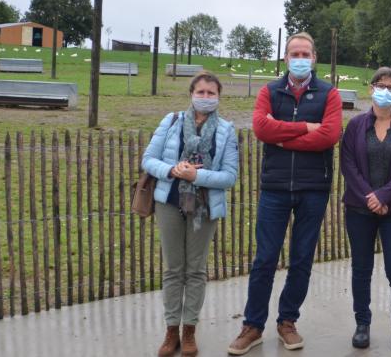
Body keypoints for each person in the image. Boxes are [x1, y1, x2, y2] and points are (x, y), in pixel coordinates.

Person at [228, 32, 342, 355]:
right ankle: (252, 325)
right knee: (265, 258)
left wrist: (282, 137)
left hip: (313, 189)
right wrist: (305, 128)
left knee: (302, 258)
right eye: (295, 53)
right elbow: (261, 129)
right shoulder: (270, 91)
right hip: (275, 188)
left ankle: (287, 321)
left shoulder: (329, 94)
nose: (300, 58)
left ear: (315, 58)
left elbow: (329, 135)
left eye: (306, 52)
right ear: (285, 58)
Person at [142, 71, 239, 357]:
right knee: (173, 269)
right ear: (191, 94)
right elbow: (148, 159)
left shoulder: (226, 130)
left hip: (204, 207)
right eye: (201, 92)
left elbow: (229, 177)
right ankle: (171, 330)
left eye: (211, 93)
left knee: (195, 270)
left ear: (218, 96)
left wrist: (197, 176)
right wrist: (172, 171)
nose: (205, 97)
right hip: (170, 202)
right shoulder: (171, 122)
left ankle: (189, 330)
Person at [340, 67, 391, 351]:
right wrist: (369, 197)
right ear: (371, 88)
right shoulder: (355, 126)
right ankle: (362, 323)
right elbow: (347, 165)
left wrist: (384, 196)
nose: (385, 90)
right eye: (380, 85)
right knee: (361, 269)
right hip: (358, 210)